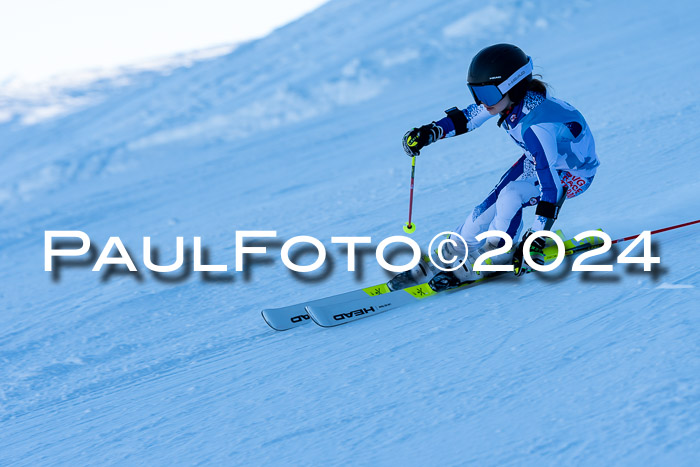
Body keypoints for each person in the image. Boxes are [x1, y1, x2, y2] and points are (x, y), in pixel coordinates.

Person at [390, 43, 599, 292]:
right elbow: (468, 117)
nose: (482, 102)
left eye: (487, 95)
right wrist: (430, 132)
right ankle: (451, 252)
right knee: (481, 212)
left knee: (511, 195)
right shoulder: (508, 101)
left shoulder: (535, 125)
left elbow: (551, 188)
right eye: (476, 93)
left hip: (573, 173)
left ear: (514, 86)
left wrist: (535, 239)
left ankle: (497, 252)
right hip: (540, 160)